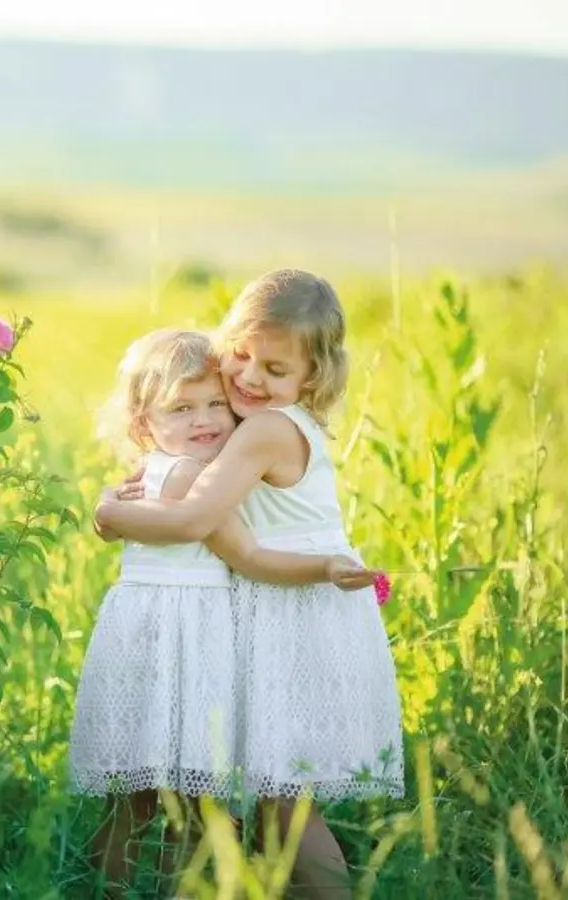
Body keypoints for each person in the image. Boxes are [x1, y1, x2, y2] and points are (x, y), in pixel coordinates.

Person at [96, 270, 404, 900]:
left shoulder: (265, 428)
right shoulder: (254, 421)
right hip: (291, 605)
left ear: (311, 378)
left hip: (297, 616)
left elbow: (195, 519)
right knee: (274, 801)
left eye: (275, 368)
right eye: (240, 354)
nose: (250, 378)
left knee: (287, 805)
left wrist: (107, 513)